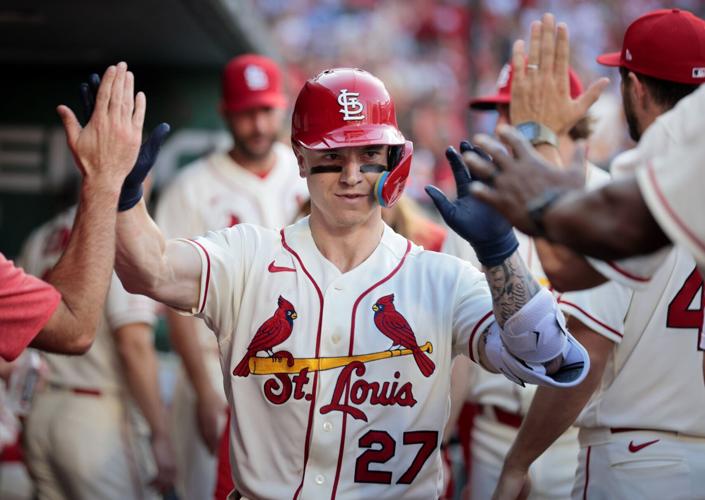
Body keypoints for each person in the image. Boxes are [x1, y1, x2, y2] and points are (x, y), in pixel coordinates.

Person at [111, 66, 589, 499]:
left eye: (369, 155)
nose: (352, 175)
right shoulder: (248, 256)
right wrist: (122, 195)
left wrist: (500, 253)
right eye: (333, 155)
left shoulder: (439, 276)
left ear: (394, 159)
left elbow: (544, 355)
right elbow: (149, 269)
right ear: (299, 159)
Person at [486, 10, 705, 500]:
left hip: (640, 458)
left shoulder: (640, 189)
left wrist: (518, 463)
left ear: (636, 87)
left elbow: (573, 289)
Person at [444, 54, 610, 499]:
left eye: (513, 110)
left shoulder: (610, 202)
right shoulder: (477, 201)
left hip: (579, 435)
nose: (499, 123)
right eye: (497, 109)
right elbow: (456, 341)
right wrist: (441, 442)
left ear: (563, 114)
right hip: (493, 432)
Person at [155, 53, 307, 499]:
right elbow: (172, 296)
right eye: (246, 113)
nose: (258, 125)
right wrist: (204, 391)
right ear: (225, 114)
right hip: (212, 366)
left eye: (265, 110)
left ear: (281, 108)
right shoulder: (192, 187)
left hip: (292, 371)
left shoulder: (308, 175)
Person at [462, 11, 705, 285]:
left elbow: (565, 267)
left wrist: (537, 131)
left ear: (636, 88)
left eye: (512, 112)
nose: (501, 126)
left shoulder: (660, 159)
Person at [18, 205, 176, 499]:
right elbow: (134, 343)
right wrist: (161, 433)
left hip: (41, 409)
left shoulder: (42, 236)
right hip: (94, 417)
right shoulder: (116, 228)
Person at [0, 62, 148, 361]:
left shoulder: (38, 236)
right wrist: (106, 176)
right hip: (90, 398)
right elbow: (85, 332)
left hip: (45, 390)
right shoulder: (111, 234)